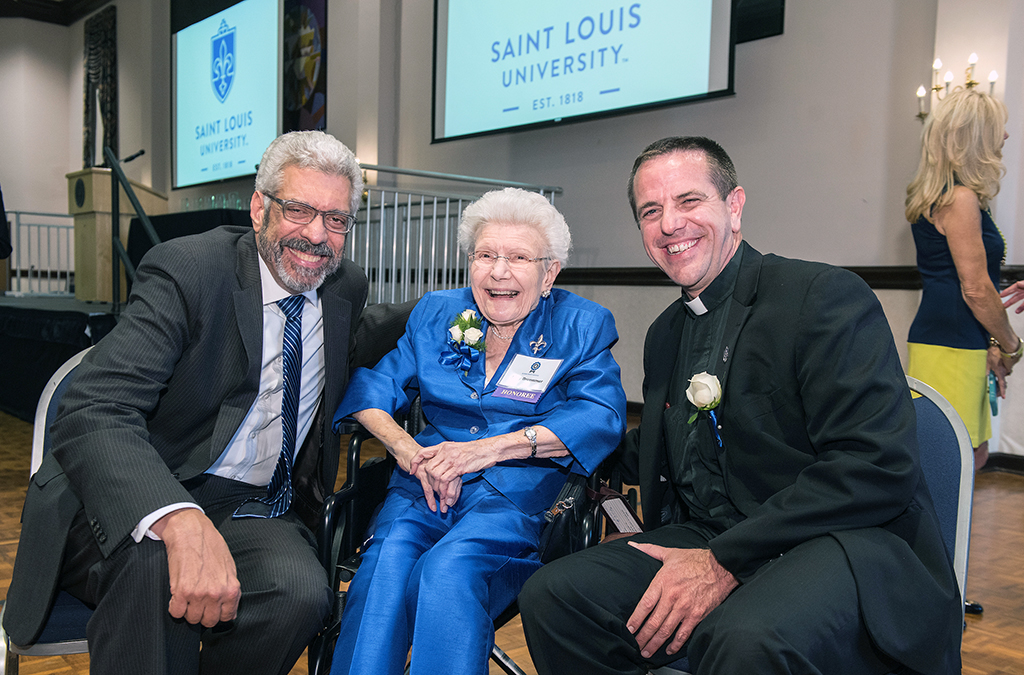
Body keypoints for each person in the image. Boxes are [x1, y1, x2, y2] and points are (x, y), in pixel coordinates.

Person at [519, 137, 961, 675]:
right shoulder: (665, 334)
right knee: (556, 597)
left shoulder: (822, 296)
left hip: (839, 542)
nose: (669, 225)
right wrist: (553, 442)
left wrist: (724, 560)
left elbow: (875, 466)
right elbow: (675, 439)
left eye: (689, 201)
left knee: (743, 641)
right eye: (650, 212)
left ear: (734, 205)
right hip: (712, 533)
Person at [3, 130, 378, 675]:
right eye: (299, 210)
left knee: (299, 591)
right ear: (259, 207)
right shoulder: (188, 270)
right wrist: (177, 516)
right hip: (142, 483)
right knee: (158, 565)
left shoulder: (344, 288)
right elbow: (94, 407)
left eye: (337, 219)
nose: (317, 234)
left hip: (250, 505)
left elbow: (391, 330)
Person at [329, 187, 627, 675]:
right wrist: (408, 451)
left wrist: (487, 451)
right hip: (423, 484)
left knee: (447, 572)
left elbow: (601, 415)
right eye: (486, 255)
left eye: (518, 257)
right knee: (384, 573)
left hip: (515, 496)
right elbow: (373, 385)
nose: (499, 271)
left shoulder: (581, 324)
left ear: (549, 272)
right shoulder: (439, 312)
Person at [905, 87, 1023, 470]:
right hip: (951, 344)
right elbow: (974, 289)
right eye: (998, 128)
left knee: (970, 455)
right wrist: (1011, 345)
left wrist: (991, 342)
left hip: (956, 339)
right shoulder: (959, 199)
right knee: (952, 461)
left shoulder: (950, 195)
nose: (1005, 136)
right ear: (975, 136)